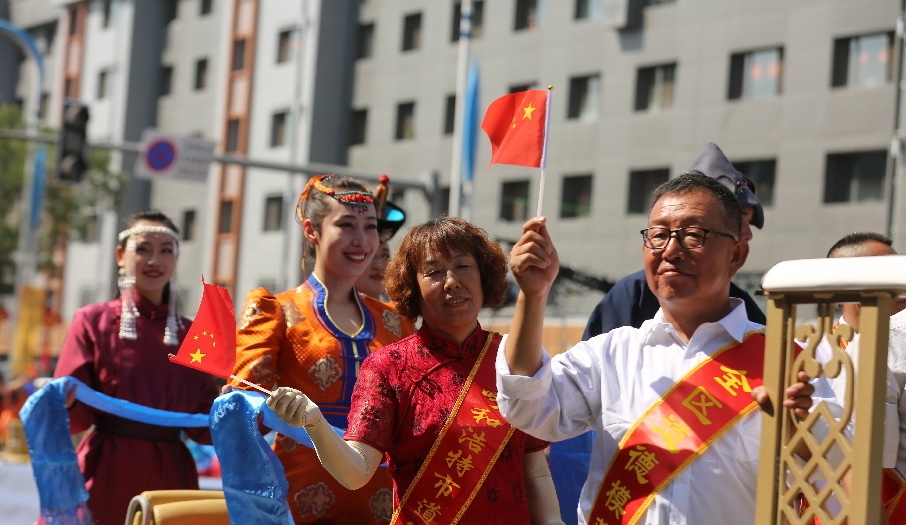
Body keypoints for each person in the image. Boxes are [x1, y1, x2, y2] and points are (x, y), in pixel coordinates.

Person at [497, 172, 817, 524]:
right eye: (659, 235)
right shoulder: (612, 354)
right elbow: (528, 407)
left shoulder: (786, 361)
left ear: (736, 254)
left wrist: (800, 434)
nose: (671, 250)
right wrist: (533, 296)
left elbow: (834, 476)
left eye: (693, 235)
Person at [266, 216, 564, 524]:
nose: (452, 281)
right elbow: (356, 472)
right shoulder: (389, 367)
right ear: (412, 288)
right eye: (434, 272)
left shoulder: (511, 358)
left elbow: (535, 469)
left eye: (463, 266)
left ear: (483, 274)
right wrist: (315, 423)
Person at [229, 174, 414, 524]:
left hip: (383, 501)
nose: (361, 240)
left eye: (370, 227)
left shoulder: (396, 322)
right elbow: (243, 410)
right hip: (299, 498)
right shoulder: (276, 311)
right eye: (346, 225)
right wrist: (260, 404)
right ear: (312, 231)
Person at [52, 209, 219, 525]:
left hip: (171, 477)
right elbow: (71, 414)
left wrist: (249, 407)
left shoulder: (195, 334)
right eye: (143, 249)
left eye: (165, 250)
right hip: (107, 470)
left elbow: (205, 424)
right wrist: (63, 403)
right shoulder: (93, 321)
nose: (154, 260)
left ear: (176, 259)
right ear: (120, 255)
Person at [582, 142, 766, 340]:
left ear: (737, 254)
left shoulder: (747, 314)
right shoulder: (632, 299)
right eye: (740, 218)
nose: (747, 233)